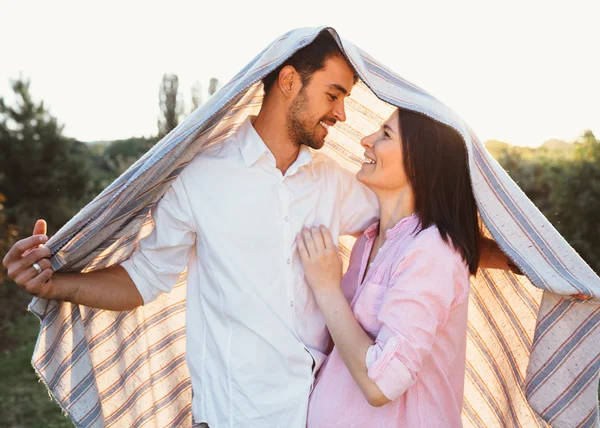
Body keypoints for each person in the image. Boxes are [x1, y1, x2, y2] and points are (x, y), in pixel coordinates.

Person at [2, 33, 510, 427]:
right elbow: (143, 279)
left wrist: (517, 260)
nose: (342, 113)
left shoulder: (335, 184)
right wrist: (55, 283)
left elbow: (421, 232)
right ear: (289, 80)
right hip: (236, 415)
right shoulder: (200, 177)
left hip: (313, 412)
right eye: (333, 94)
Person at [299, 108, 482, 427]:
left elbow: (382, 385)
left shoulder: (432, 250)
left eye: (385, 135)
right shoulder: (367, 242)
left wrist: (327, 288)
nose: (365, 140)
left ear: (420, 160)